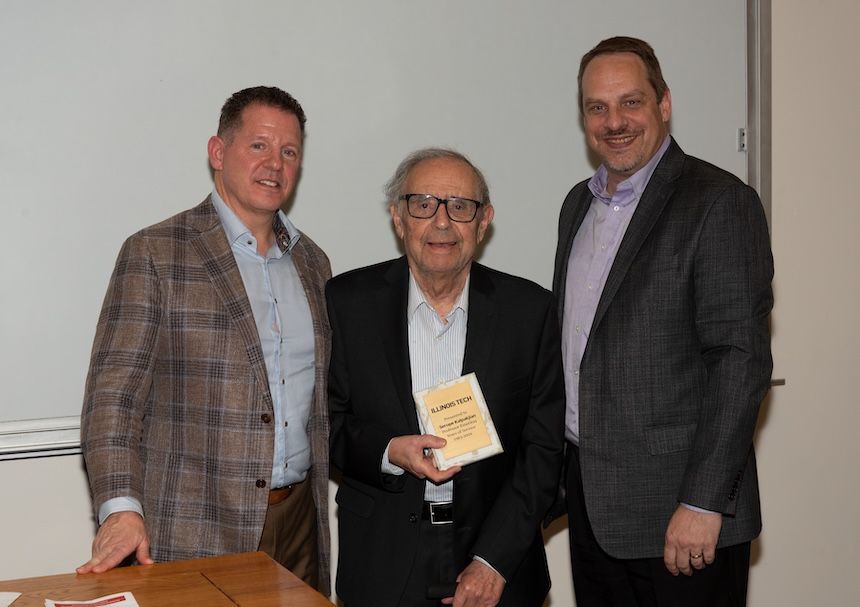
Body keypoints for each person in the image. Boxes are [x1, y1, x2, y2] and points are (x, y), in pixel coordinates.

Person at [78, 86, 331, 594]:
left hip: (300, 520)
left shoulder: (314, 264)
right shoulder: (155, 252)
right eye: (259, 145)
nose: (275, 164)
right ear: (218, 152)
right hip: (195, 528)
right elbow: (113, 398)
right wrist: (120, 509)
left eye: (289, 151)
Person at [553, 36, 774, 606]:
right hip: (594, 507)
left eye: (631, 102)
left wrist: (704, 503)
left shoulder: (719, 201)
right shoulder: (577, 205)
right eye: (596, 107)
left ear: (664, 103)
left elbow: (740, 359)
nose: (613, 122)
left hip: (682, 519)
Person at [327, 148, 565, 607]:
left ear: (484, 220)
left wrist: (494, 561)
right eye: (423, 204)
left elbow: (544, 451)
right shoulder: (347, 302)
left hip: (497, 559)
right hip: (382, 556)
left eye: (460, 206)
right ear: (399, 218)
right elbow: (326, 423)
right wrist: (389, 450)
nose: (441, 222)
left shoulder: (530, 311)